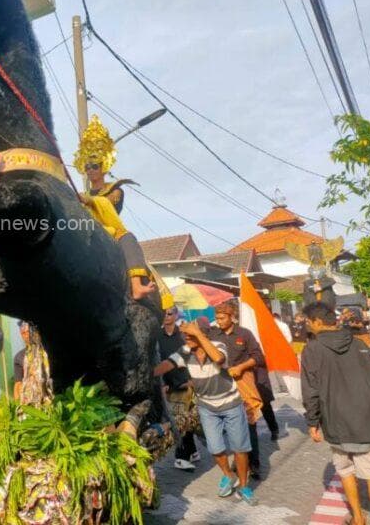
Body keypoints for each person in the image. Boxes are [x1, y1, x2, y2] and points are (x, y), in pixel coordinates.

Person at [301, 302, 370, 525]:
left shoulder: (311, 349)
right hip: (369, 422)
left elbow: (310, 389)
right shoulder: (359, 343)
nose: (306, 325)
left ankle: (358, 518)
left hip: (336, 423)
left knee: (346, 471)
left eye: (308, 321)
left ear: (318, 322)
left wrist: (312, 422)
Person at [154, 320, 256, 505]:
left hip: (231, 404)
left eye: (191, 335)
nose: (187, 338)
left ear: (203, 335)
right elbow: (165, 366)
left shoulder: (218, 345)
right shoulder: (185, 351)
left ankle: (244, 486)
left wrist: (198, 334)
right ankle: (228, 474)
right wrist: (144, 372)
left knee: (240, 448)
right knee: (215, 448)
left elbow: (218, 359)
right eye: (186, 335)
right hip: (207, 407)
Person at [73, 115, 164, 304]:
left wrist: (89, 201)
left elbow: (108, 207)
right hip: (84, 232)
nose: (90, 170)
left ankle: (136, 284)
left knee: (128, 238)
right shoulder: (80, 195)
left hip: (108, 232)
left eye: (95, 165)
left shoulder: (115, 191)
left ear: (104, 167)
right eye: (87, 166)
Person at [209, 302, 277, 480]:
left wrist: (241, 367)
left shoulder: (244, 334)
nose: (219, 321)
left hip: (243, 384)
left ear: (232, 317)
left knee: (249, 425)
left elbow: (258, 357)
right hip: (222, 385)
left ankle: (254, 464)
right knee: (229, 426)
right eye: (217, 318)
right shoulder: (213, 334)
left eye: (222, 318)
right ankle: (239, 461)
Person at [156, 307, 199, 471]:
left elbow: (191, 356)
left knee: (187, 419)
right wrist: (161, 384)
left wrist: (191, 379)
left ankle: (189, 451)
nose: (167, 317)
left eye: (170, 313)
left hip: (186, 382)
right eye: (164, 313)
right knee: (180, 421)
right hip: (168, 385)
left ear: (176, 316)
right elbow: (156, 361)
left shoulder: (182, 335)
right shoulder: (156, 336)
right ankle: (182, 456)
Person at [13, 321, 31, 400]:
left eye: (28, 332)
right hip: (31, 401)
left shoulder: (45, 352)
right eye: (23, 333)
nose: (27, 335)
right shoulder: (19, 357)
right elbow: (18, 384)